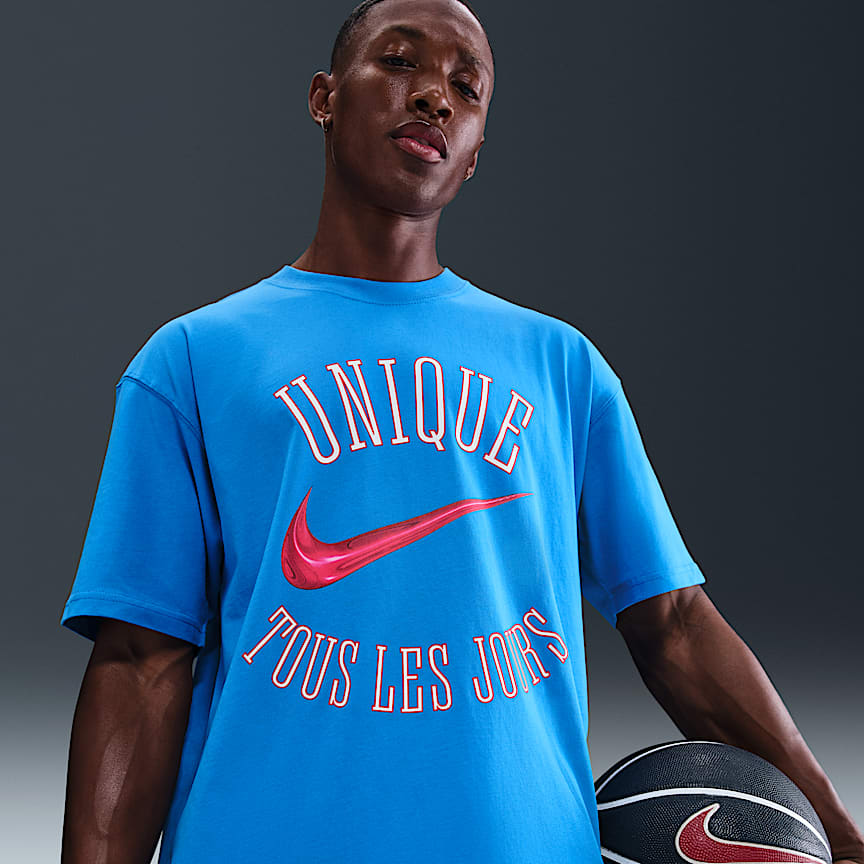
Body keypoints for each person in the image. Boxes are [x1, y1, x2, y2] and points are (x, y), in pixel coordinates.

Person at [59, 0, 863, 862]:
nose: (434, 96)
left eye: (465, 87)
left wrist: (844, 839)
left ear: (474, 153)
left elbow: (671, 623)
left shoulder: (561, 366)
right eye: (400, 62)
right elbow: (141, 660)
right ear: (324, 97)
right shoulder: (194, 360)